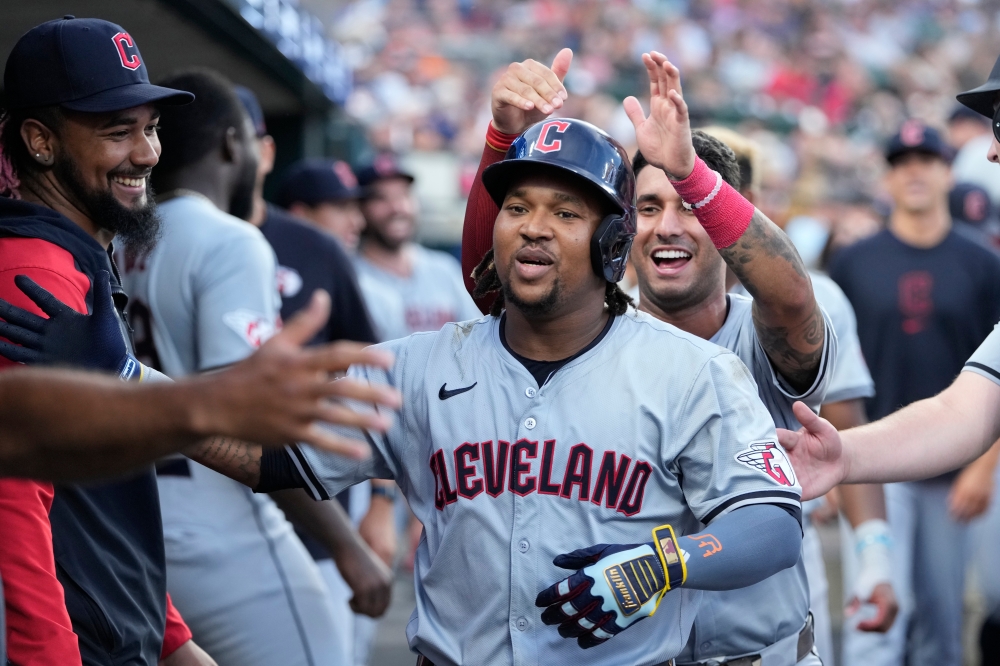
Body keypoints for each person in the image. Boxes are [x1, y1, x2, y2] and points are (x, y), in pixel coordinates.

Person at [185, 67, 807, 666]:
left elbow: (771, 524)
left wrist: (662, 564)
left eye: (566, 213)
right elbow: (267, 458)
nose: (534, 228)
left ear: (613, 244)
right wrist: (140, 386)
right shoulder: (417, 366)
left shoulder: (691, 371)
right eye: (516, 208)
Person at [462, 48, 828, 666]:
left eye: (690, 207)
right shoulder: (584, 332)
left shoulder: (761, 335)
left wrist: (689, 172)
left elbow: (792, 299)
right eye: (650, 208)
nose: (668, 227)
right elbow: (497, 281)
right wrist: (502, 136)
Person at [121, 68, 388, 666]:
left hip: (136, 516)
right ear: (230, 144)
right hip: (220, 524)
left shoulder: (122, 237)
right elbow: (249, 425)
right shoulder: (230, 239)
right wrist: (346, 545)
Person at [0, 17, 214, 665]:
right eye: (118, 132)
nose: (147, 153)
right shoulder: (34, 273)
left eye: (151, 127)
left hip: (119, 631)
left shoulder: (73, 252)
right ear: (40, 141)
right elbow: (13, 494)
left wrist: (171, 637)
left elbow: (98, 493)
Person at [699, 125, 899, 662]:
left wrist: (874, 552)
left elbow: (845, 428)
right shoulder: (621, 306)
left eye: (702, 197)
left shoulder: (817, 298)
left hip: (782, 555)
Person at [823, 118, 1000, 666]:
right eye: (901, 163)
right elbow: (827, 365)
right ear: (887, 177)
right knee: (872, 623)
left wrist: (984, 466)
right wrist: (838, 464)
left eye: (926, 161)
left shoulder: (982, 262)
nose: (914, 172)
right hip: (874, 459)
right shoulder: (854, 260)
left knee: (942, 622)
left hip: (954, 466)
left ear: (948, 172)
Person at [238, 87, 398, 665]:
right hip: (219, 490)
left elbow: (376, 373)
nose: (355, 220)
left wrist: (381, 501)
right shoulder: (188, 239)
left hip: (318, 487)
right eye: (340, 207)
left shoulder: (318, 251)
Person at [0, 285, 399, 480]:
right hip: (199, 511)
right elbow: (277, 462)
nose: (148, 155)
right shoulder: (411, 362)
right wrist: (131, 375)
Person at [354, 152, 480, 339]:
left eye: (403, 195)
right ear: (360, 208)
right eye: (381, 198)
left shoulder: (444, 270)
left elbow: (476, 340)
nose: (397, 208)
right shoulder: (350, 277)